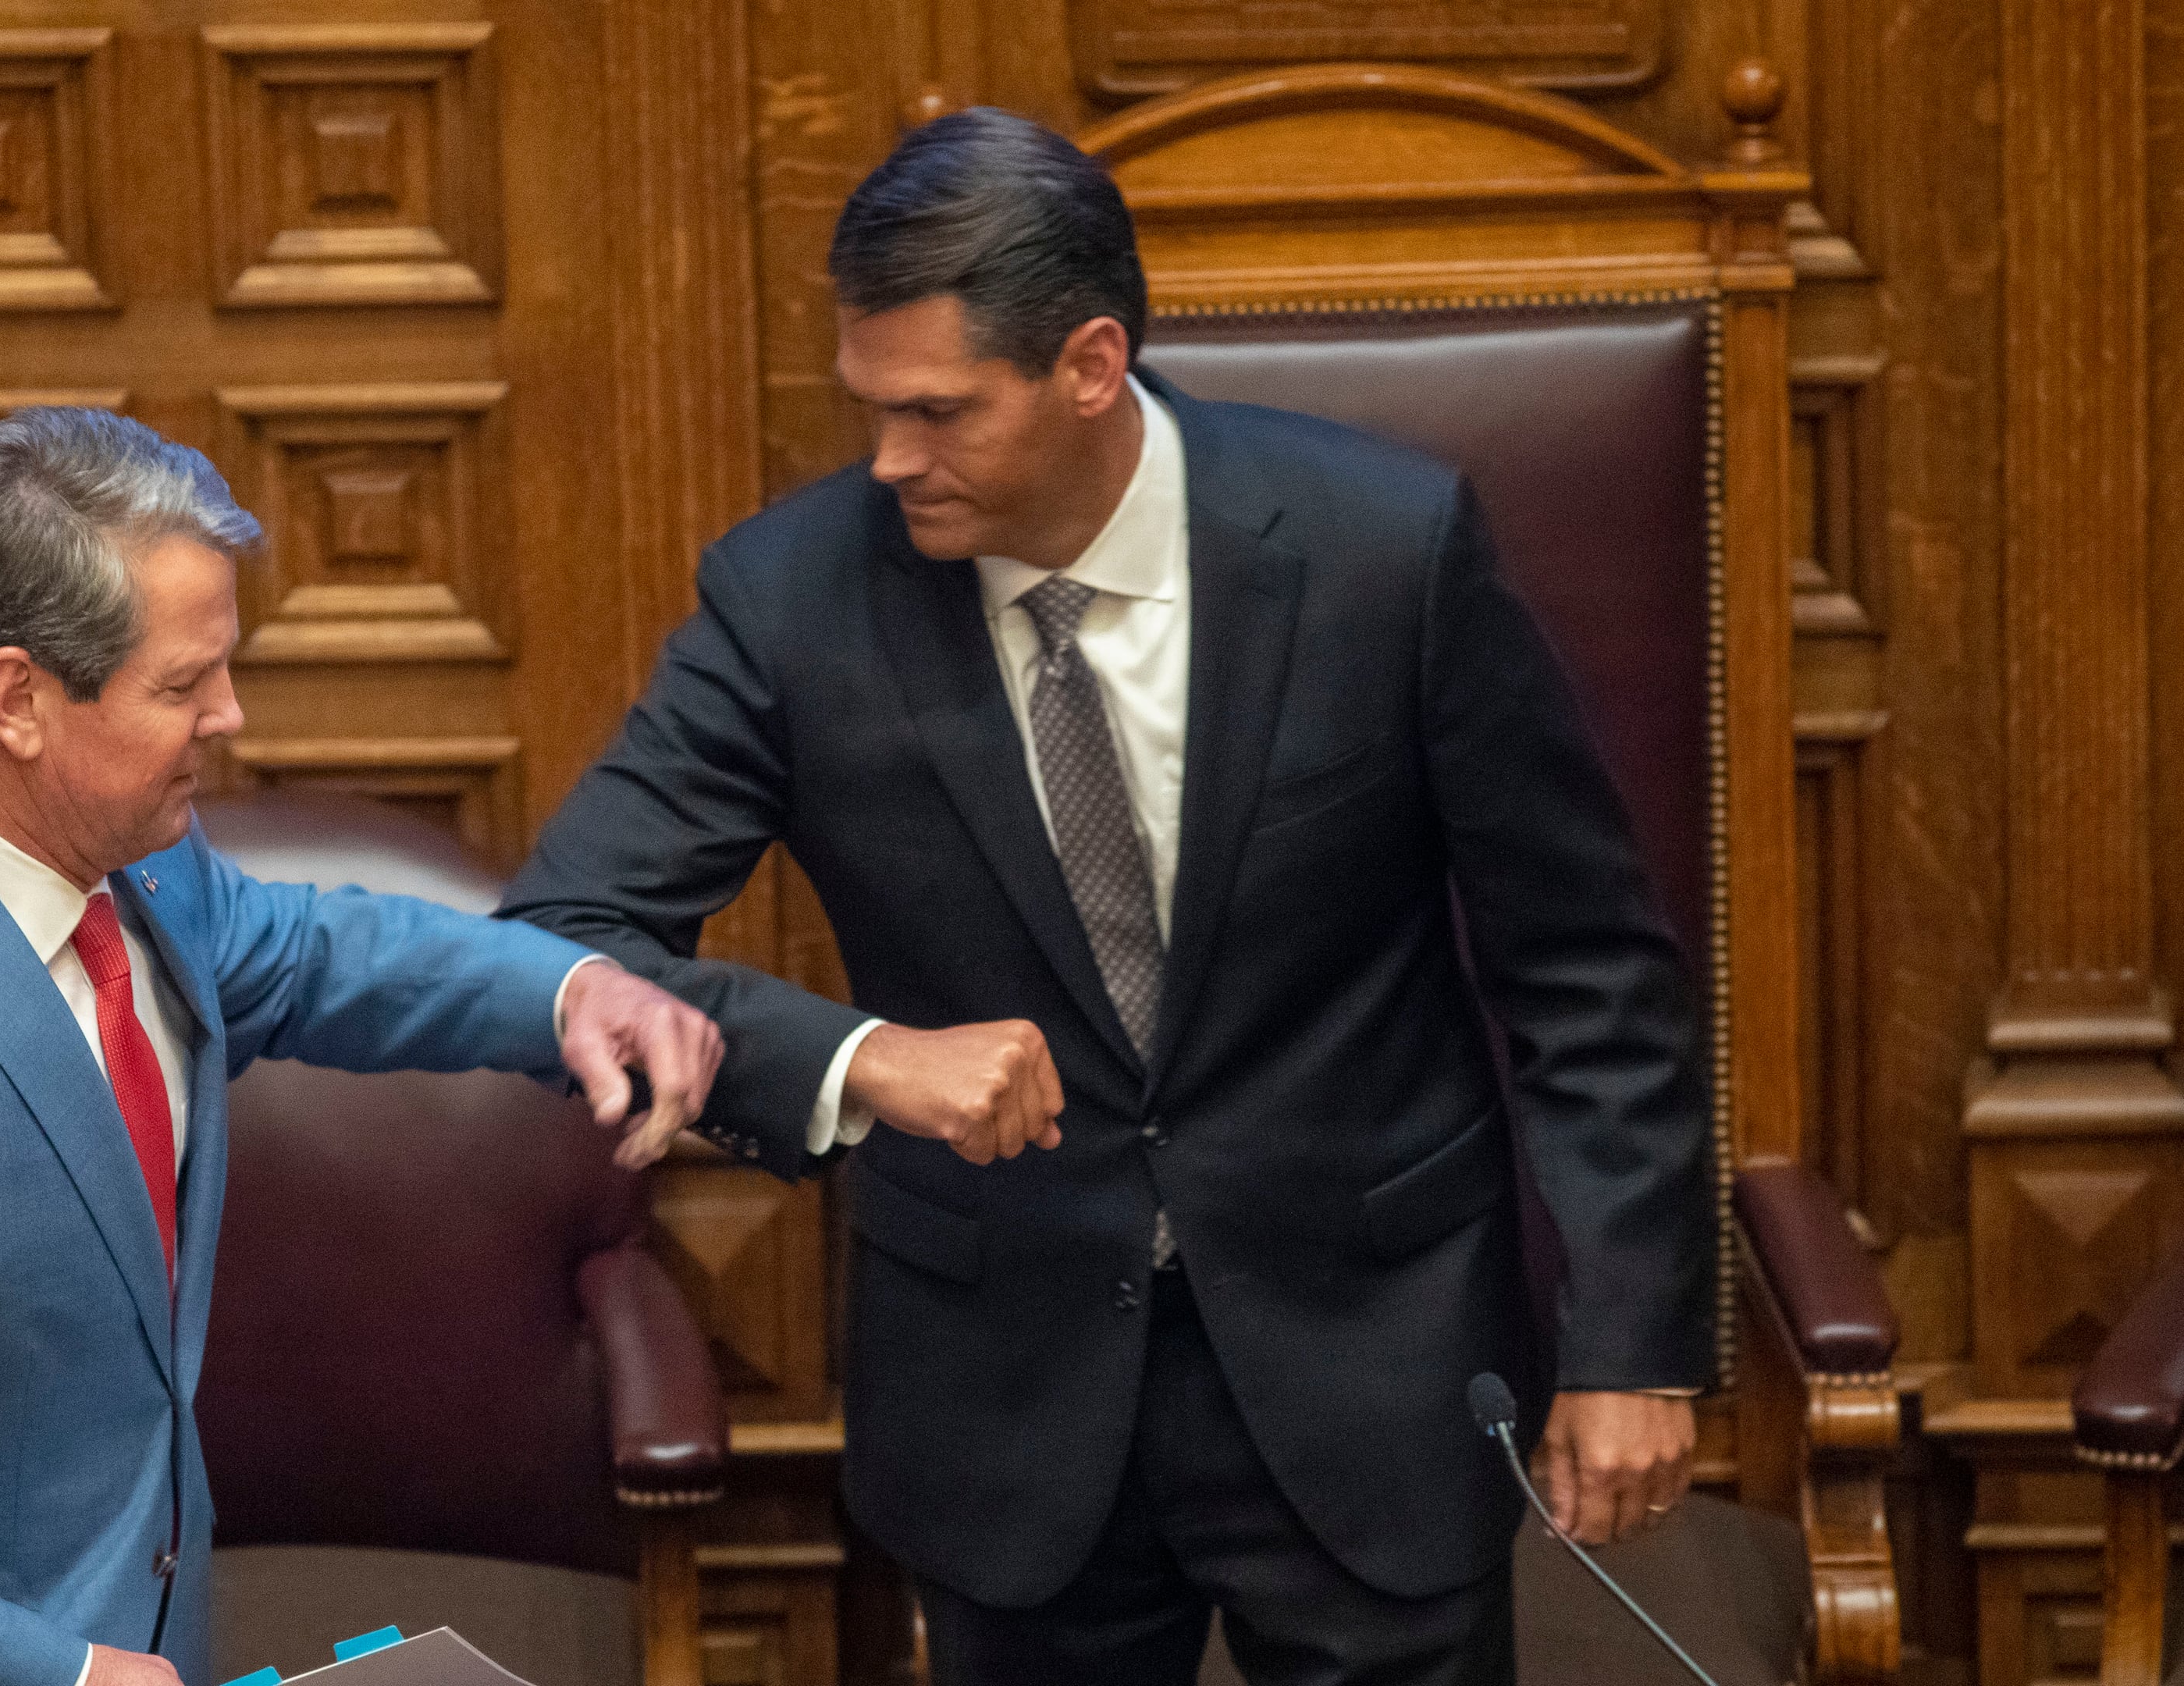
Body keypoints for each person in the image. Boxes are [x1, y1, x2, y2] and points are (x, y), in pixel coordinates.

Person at [499, 109, 1710, 1685]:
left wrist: (1631, 1345)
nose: (889, 461)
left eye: (940, 414)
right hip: (1010, 1402)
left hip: (1372, 1363)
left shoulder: (1383, 554)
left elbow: (1588, 972)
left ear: (1090, 363)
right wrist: (866, 1064)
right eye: (871, 407)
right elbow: (566, 943)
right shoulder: (794, 602)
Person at [0, 407, 723, 1686]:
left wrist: (570, 990)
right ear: (19, 699)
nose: (230, 716)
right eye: (181, 685)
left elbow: (311, 954)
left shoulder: (136, 868)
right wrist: (55, 1674)